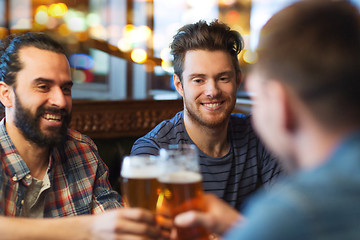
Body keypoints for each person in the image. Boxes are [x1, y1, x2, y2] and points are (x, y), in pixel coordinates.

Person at [174, 0, 360, 239]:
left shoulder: (291, 212)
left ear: (280, 103)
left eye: (258, 95)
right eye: (198, 80)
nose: (212, 91)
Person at [0, 32, 162, 239]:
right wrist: (88, 228)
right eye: (43, 87)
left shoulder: (82, 151)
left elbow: (115, 228)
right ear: (6, 94)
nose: (60, 101)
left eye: (66, 89)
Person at [131, 20, 283, 211]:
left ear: (237, 80)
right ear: (179, 85)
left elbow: (291, 211)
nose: (212, 91)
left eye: (223, 78)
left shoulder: (258, 133)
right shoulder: (153, 150)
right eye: (198, 80)